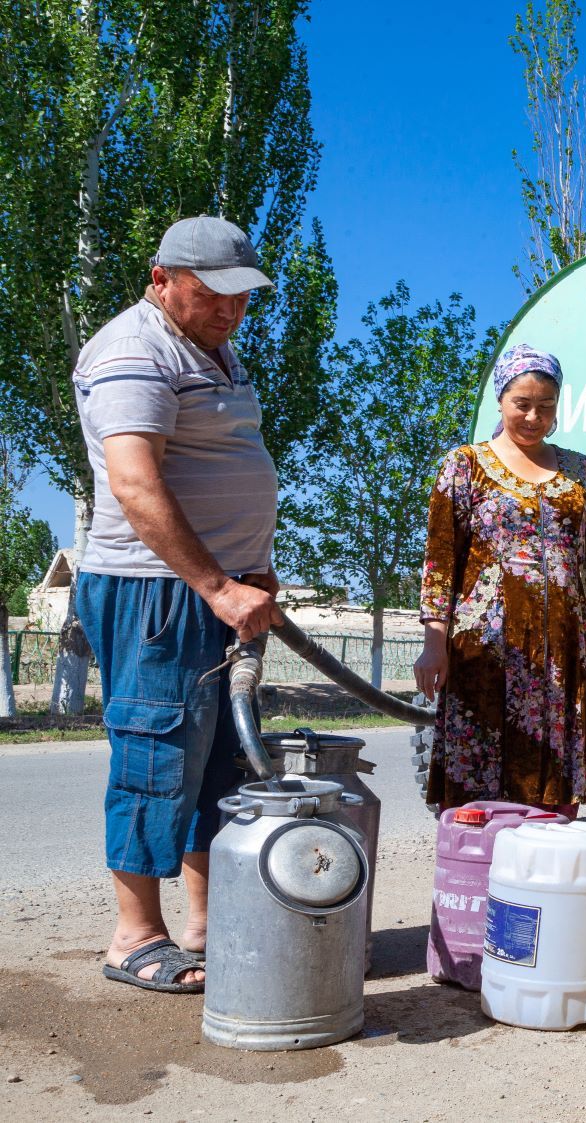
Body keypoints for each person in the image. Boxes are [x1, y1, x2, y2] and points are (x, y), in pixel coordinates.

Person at [73, 216, 285, 993]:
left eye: (242, 296)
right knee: (154, 756)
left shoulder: (212, 349)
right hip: (156, 592)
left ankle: (205, 924)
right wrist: (218, 584)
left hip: (218, 592)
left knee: (217, 770)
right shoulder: (135, 348)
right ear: (161, 278)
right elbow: (135, 483)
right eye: (213, 293)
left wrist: (251, 571)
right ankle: (134, 935)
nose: (232, 309)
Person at [414, 344, 586, 812]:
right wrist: (433, 642)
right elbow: (440, 563)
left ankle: (546, 882)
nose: (532, 416)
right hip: (486, 652)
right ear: (500, 402)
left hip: (567, 652)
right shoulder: (465, 466)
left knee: (560, 788)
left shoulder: (581, 471)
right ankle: (481, 880)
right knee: (482, 788)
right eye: (521, 404)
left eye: (545, 406)